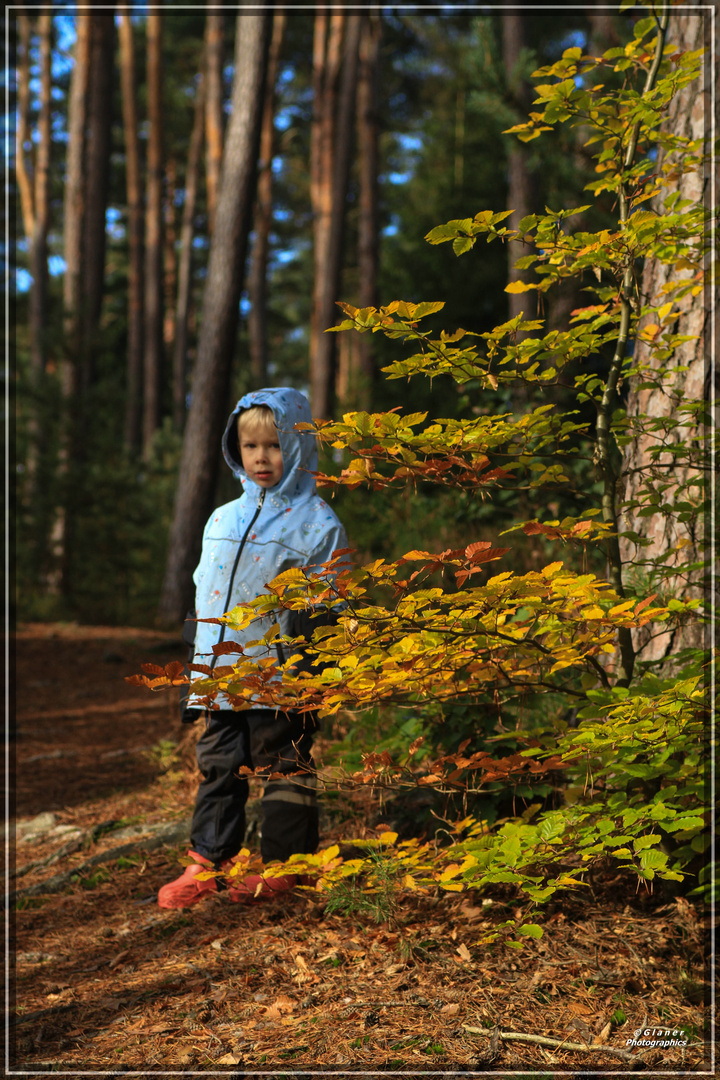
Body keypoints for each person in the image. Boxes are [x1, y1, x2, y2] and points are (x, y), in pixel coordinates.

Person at [158, 387, 348, 909]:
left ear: (298, 446)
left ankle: (287, 866)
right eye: (250, 446)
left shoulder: (318, 523)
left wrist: (313, 674)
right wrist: (197, 673)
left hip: (282, 675)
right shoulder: (222, 519)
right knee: (220, 763)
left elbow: (328, 607)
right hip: (222, 674)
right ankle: (210, 862)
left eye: (274, 445)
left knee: (284, 763)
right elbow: (206, 594)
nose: (261, 457)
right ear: (235, 449)